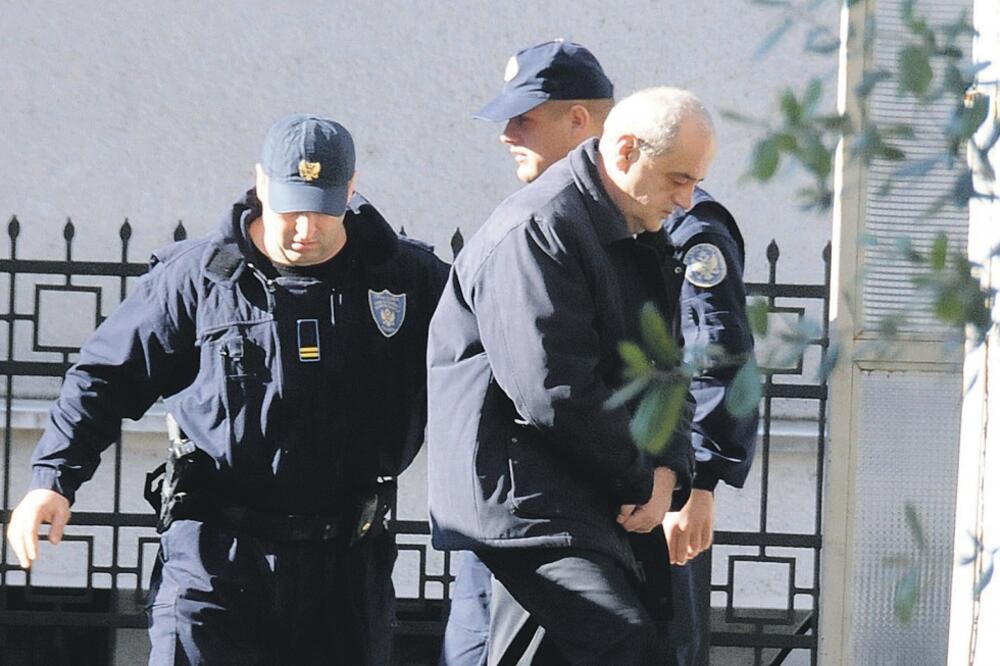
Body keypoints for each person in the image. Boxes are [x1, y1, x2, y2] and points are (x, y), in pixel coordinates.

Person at [5, 113, 449, 665]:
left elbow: (482, 371)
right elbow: (105, 378)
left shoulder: (407, 279)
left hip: (345, 565)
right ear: (260, 183)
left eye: (322, 210)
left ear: (351, 189)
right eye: (291, 209)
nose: (305, 229)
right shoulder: (198, 279)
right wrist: (52, 480)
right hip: (216, 558)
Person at [440, 41, 758, 666]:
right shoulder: (543, 227)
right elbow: (553, 388)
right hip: (531, 500)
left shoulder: (644, 222)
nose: (687, 197)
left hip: (589, 493)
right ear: (625, 150)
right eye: (679, 179)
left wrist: (681, 475)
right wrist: (649, 477)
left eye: (525, 117)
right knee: (614, 644)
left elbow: (679, 364)